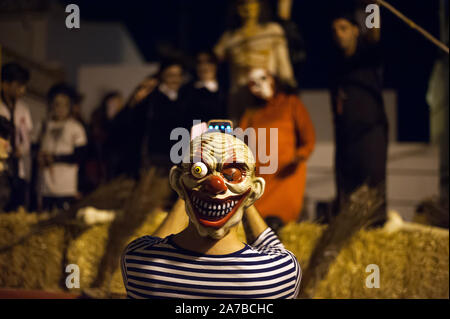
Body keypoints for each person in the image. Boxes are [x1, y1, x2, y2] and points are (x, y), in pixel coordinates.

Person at [121, 131, 301, 299]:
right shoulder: (280, 275)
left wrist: (187, 188)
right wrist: (244, 196)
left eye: (232, 173)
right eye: (199, 170)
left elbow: (153, 246)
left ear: (175, 181)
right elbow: (276, 249)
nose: (216, 185)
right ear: (256, 191)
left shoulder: (137, 261)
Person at [329, 11, 388, 225]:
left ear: (355, 30)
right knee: (346, 186)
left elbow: (373, 35)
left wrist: (371, 7)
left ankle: (375, 225)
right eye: (335, 30)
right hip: (345, 135)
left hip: (370, 132)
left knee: (371, 182)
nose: (339, 34)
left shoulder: (367, 56)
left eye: (343, 29)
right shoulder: (336, 65)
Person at [239, 68, 315, 225]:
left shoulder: (291, 104)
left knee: (278, 221)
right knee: (256, 223)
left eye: (263, 79)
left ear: (273, 79)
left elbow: (308, 138)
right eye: (253, 83)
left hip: (285, 176)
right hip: (259, 177)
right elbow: (241, 142)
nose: (259, 86)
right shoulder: (252, 113)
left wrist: (298, 156)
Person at [214, 0, 295, 123]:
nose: (247, 9)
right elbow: (215, 57)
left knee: (268, 131)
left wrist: (287, 82)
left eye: (251, 4)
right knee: (240, 131)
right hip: (239, 93)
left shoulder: (271, 31)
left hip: (267, 91)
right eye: (242, 5)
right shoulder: (230, 37)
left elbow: (282, 61)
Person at [37, 83, 87, 211]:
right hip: (45, 186)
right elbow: (34, 147)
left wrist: (55, 158)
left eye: (64, 104)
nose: (60, 108)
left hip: (66, 186)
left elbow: (80, 156)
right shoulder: (43, 126)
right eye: (56, 104)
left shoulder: (76, 128)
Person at [0, 63, 33, 211]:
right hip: (2, 166)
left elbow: (26, 137)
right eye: (18, 86)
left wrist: (23, 149)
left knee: (16, 206)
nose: (22, 90)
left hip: (17, 167)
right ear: (6, 85)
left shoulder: (23, 109)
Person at [84, 91, 124, 192]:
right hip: (100, 167)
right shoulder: (98, 124)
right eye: (110, 105)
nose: (114, 107)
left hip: (118, 167)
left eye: (116, 104)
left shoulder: (126, 122)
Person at [184, 51, 227, 123]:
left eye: (209, 62)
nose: (204, 67)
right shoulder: (186, 91)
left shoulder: (226, 90)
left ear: (216, 65)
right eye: (199, 63)